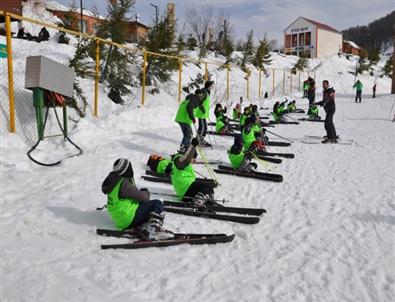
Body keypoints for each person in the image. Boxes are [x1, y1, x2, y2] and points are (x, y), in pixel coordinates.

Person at [101, 158, 173, 239]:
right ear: (127, 169)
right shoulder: (123, 183)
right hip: (127, 217)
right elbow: (144, 198)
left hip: (120, 218)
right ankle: (155, 230)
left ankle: (146, 223)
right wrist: (146, 192)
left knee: (144, 205)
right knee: (157, 203)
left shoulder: (113, 181)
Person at [171, 138, 216, 207]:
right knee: (207, 186)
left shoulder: (180, 162)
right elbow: (185, 159)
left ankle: (208, 199)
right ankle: (197, 201)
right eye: (194, 159)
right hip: (185, 189)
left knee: (208, 187)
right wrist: (192, 146)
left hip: (186, 190)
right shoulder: (178, 159)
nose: (194, 161)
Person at [195, 80, 214, 145]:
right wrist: (202, 109)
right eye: (211, 85)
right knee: (203, 127)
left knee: (202, 127)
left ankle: (198, 139)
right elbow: (200, 100)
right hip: (201, 113)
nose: (212, 87)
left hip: (203, 113)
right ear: (209, 86)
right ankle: (200, 140)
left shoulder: (207, 92)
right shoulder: (204, 92)